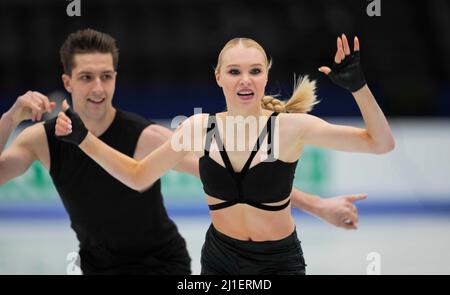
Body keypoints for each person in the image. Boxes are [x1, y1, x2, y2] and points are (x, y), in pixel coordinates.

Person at [0, 29, 366, 274]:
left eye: (107, 76)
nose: (98, 87)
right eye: (85, 77)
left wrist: (317, 205)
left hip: (160, 264)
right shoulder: (40, 139)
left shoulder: (148, 135)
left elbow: (244, 182)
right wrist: (11, 116)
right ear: (67, 83)